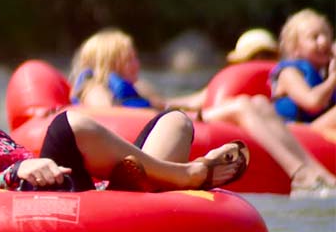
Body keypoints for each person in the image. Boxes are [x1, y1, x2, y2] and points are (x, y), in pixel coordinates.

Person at [0, 57, 249, 194]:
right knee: (68, 126)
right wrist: (16, 171)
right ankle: (182, 176)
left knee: (175, 123)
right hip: (37, 196)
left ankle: (155, 183)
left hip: (79, 190)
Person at [72, 27, 335, 190]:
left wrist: (213, 91)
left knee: (256, 102)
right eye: (129, 57)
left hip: (171, 118)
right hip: (150, 130)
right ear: (110, 61)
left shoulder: (138, 88)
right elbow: (105, 115)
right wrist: (169, 115)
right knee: (243, 106)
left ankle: (314, 172)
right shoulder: (97, 86)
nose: (136, 62)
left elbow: (173, 103)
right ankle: (298, 173)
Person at [271, 8, 336, 131]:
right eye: (314, 37)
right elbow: (313, 103)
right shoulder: (288, 73)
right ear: (295, 48)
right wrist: (334, 77)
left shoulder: (325, 74)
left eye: (326, 35)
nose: (324, 42)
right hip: (295, 134)